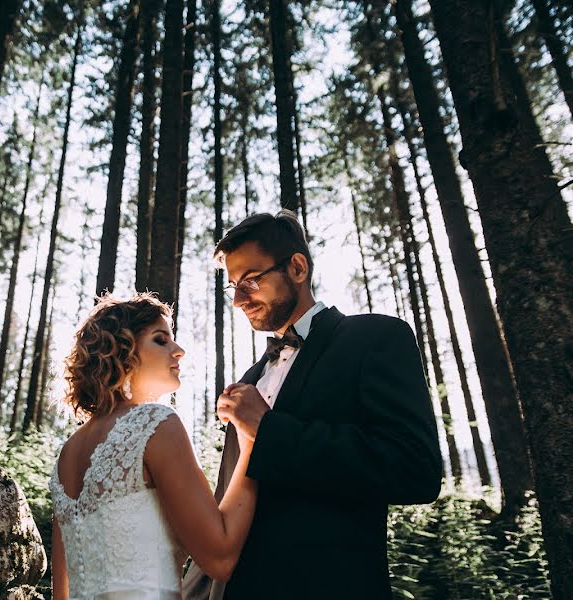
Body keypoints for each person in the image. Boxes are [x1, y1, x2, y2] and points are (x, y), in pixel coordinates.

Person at [182, 210, 443, 599]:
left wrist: (267, 431)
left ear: (298, 268)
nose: (238, 300)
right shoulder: (251, 379)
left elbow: (415, 469)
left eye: (250, 281)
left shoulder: (375, 338)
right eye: (233, 286)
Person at [49, 293, 258, 600]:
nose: (179, 351)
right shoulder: (154, 423)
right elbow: (221, 557)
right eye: (161, 340)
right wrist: (253, 441)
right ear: (122, 350)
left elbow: (61, 594)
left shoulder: (66, 454)